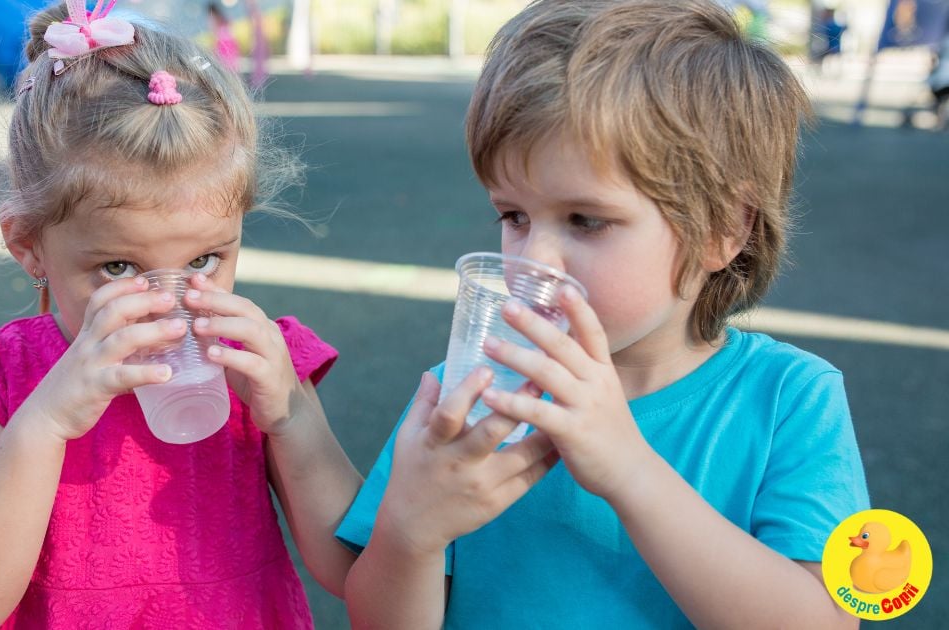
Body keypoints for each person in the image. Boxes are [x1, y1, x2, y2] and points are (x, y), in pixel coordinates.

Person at [337, 0, 869, 627]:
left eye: (587, 221)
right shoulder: (474, 394)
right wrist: (410, 533)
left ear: (724, 228)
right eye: (514, 216)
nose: (535, 262)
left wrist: (630, 470)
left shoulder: (787, 399)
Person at [0, 2, 360, 627]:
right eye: (118, 268)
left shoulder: (261, 364)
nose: (169, 299)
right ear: (28, 245)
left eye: (205, 258)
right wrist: (47, 419)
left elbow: (352, 571)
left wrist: (290, 416)